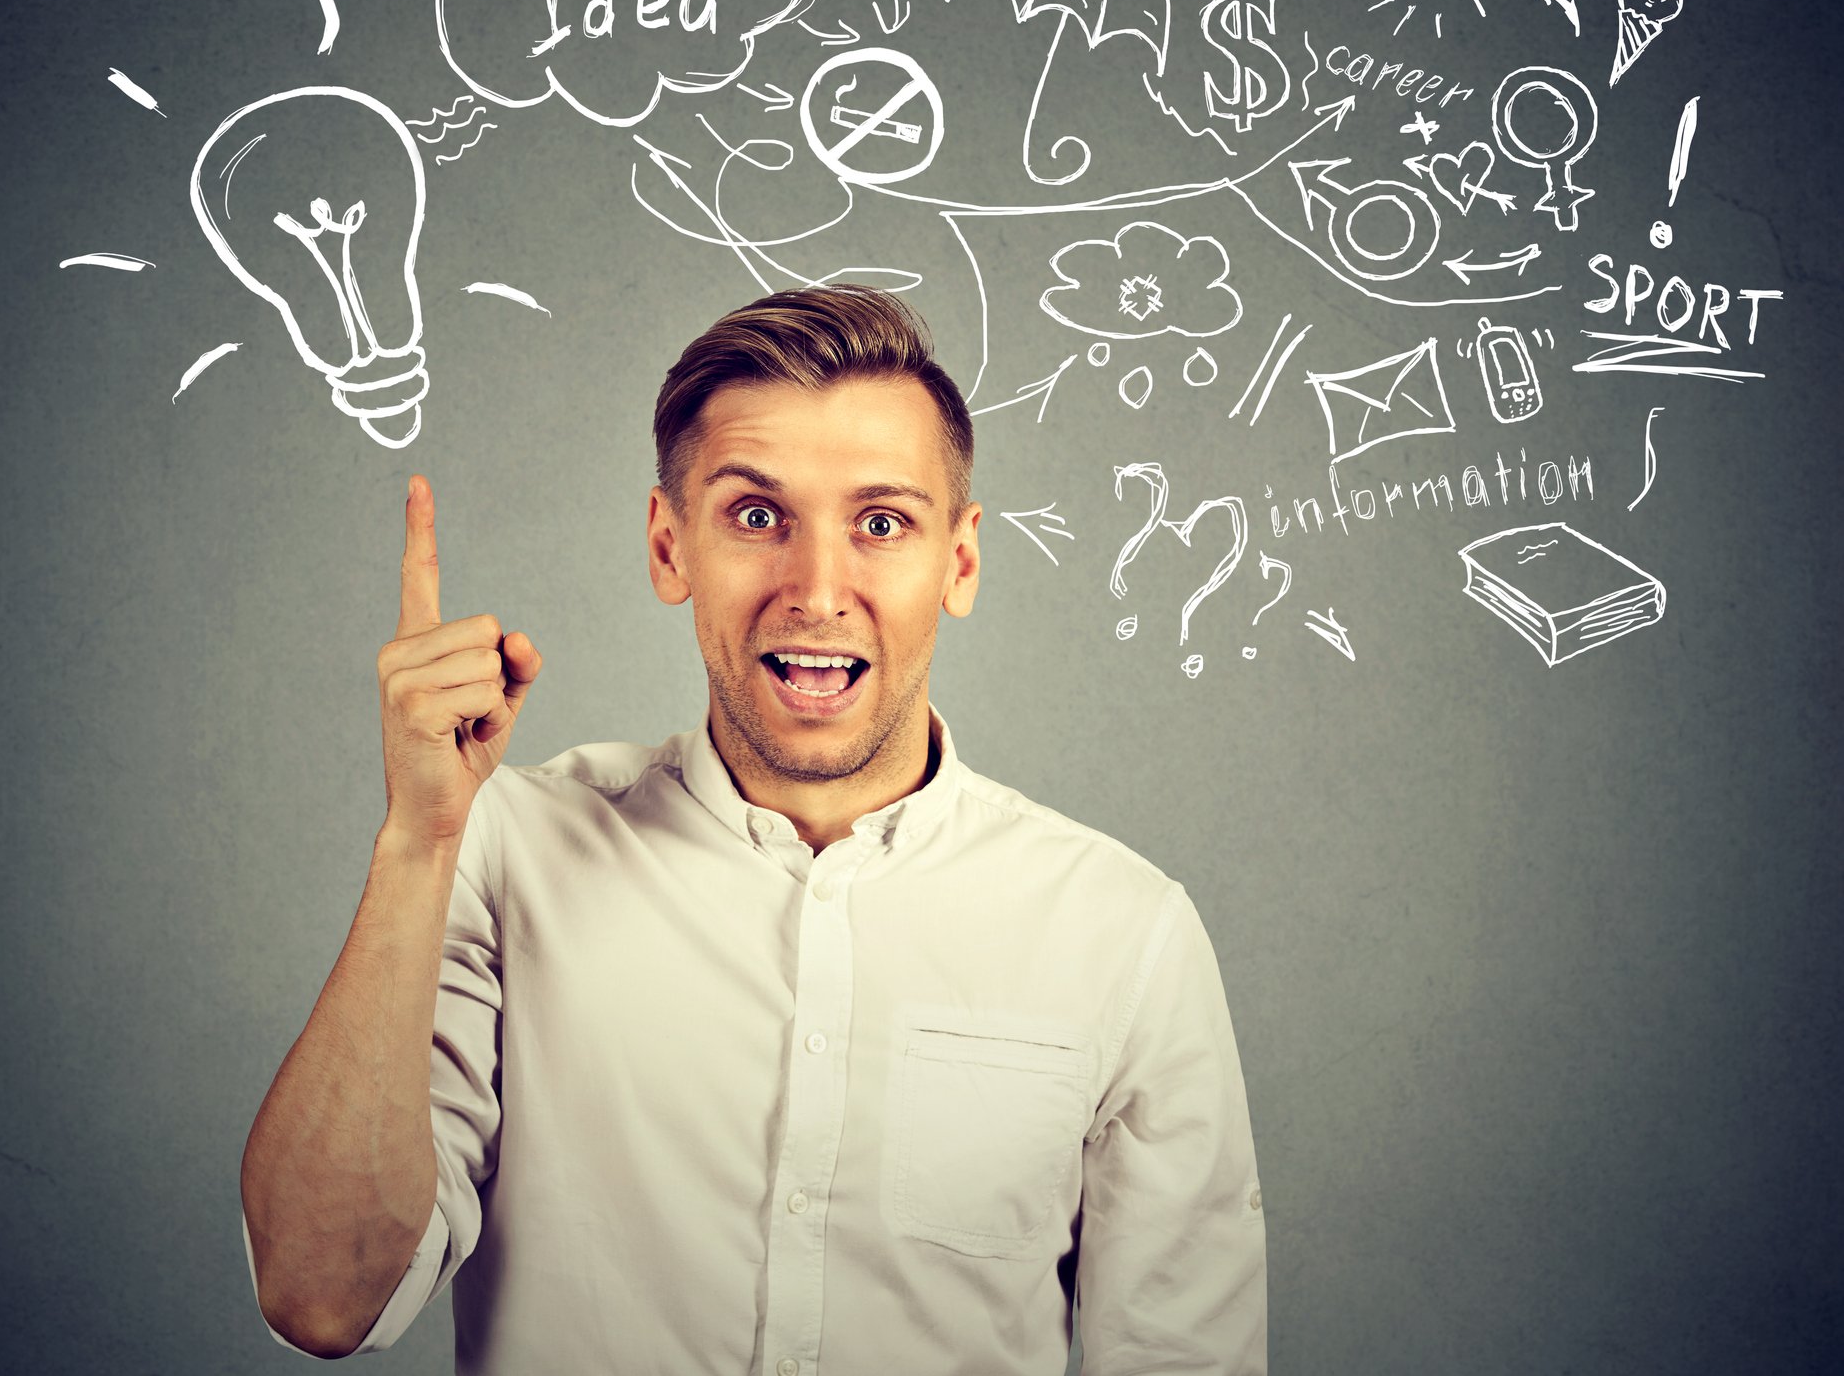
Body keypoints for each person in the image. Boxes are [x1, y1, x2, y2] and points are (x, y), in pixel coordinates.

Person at [238, 285, 1267, 1374]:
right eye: (756, 516)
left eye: (882, 523)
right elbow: (321, 1295)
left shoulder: (1124, 932)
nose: (817, 590)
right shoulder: (504, 853)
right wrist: (417, 841)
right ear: (669, 544)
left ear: (958, 561)